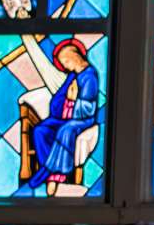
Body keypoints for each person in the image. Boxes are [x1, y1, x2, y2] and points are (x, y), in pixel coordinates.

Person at [27, 37, 101, 190]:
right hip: (65, 117)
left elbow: (88, 108)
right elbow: (59, 100)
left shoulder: (89, 76)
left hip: (83, 120)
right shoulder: (73, 75)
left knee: (66, 130)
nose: (65, 67)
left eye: (66, 62)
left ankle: (56, 175)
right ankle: (48, 168)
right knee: (40, 130)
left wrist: (73, 100)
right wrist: (66, 101)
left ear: (74, 57)